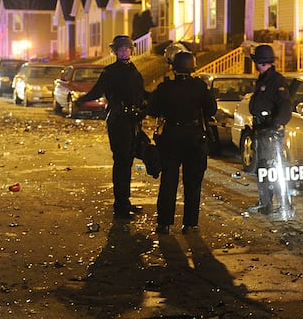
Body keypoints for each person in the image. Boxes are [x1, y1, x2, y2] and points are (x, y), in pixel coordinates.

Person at [75, 35, 148, 219]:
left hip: (133, 121)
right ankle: (120, 206)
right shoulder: (110, 72)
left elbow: (140, 93)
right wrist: (82, 100)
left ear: (131, 50)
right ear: (115, 51)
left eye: (127, 48)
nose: (125, 52)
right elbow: (97, 91)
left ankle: (125, 201)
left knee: (128, 162)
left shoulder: (133, 70)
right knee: (121, 162)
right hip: (118, 121)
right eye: (121, 49)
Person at [146, 51, 216, 235]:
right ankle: (190, 224)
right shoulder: (200, 87)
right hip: (193, 136)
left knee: (168, 181)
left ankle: (164, 224)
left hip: (170, 136)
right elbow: (211, 109)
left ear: (174, 67)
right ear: (192, 67)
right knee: (193, 182)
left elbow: (152, 110)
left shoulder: (165, 87)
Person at [246, 44, 295, 221]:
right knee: (263, 169)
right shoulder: (264, 80)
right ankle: (265, 203)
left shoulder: (276, 81)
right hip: (262, 131)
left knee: (275, 169)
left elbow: (285, 108)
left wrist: (275, 127)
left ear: (261, 62)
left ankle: (284, 204)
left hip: (270, 133)